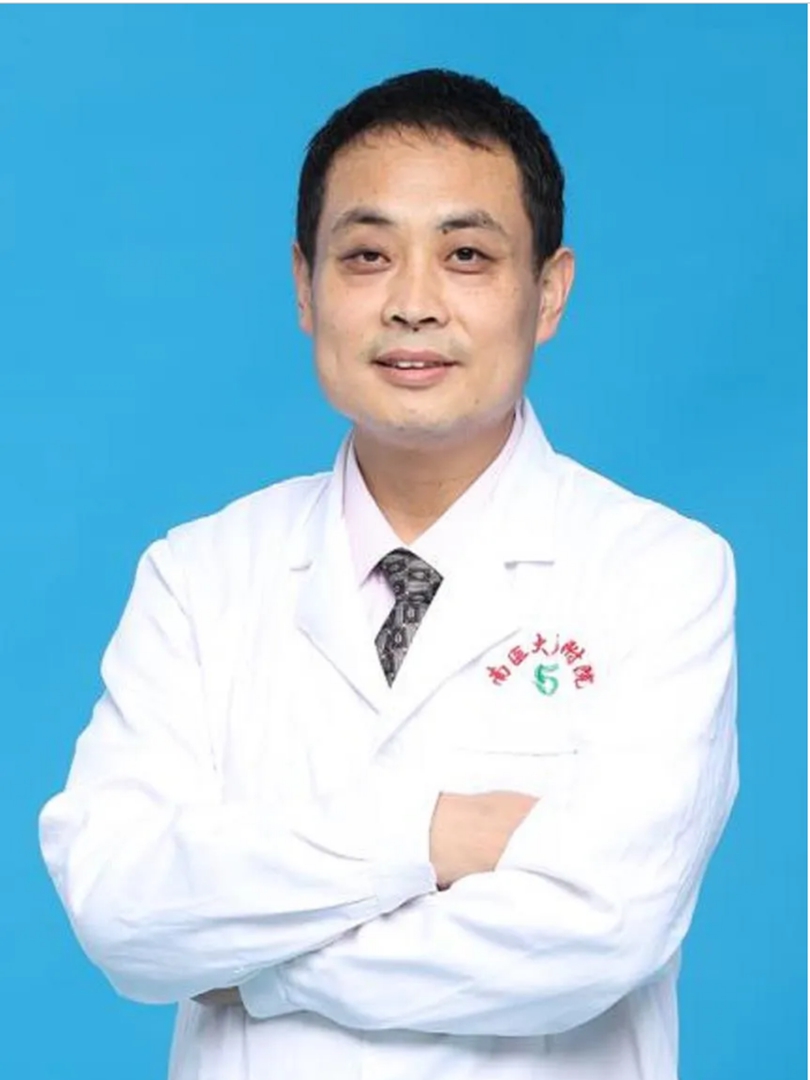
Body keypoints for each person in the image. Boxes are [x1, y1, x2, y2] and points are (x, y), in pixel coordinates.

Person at [38, 68, 738, 1080]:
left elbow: (601, 931)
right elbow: (121, 908)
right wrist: (433, 832)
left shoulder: (659, 573)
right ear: (304, 286)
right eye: (367, 255)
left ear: (548, 292)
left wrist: (260, 969)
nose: (412, 304)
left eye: (466, 256)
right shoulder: (198, 575)